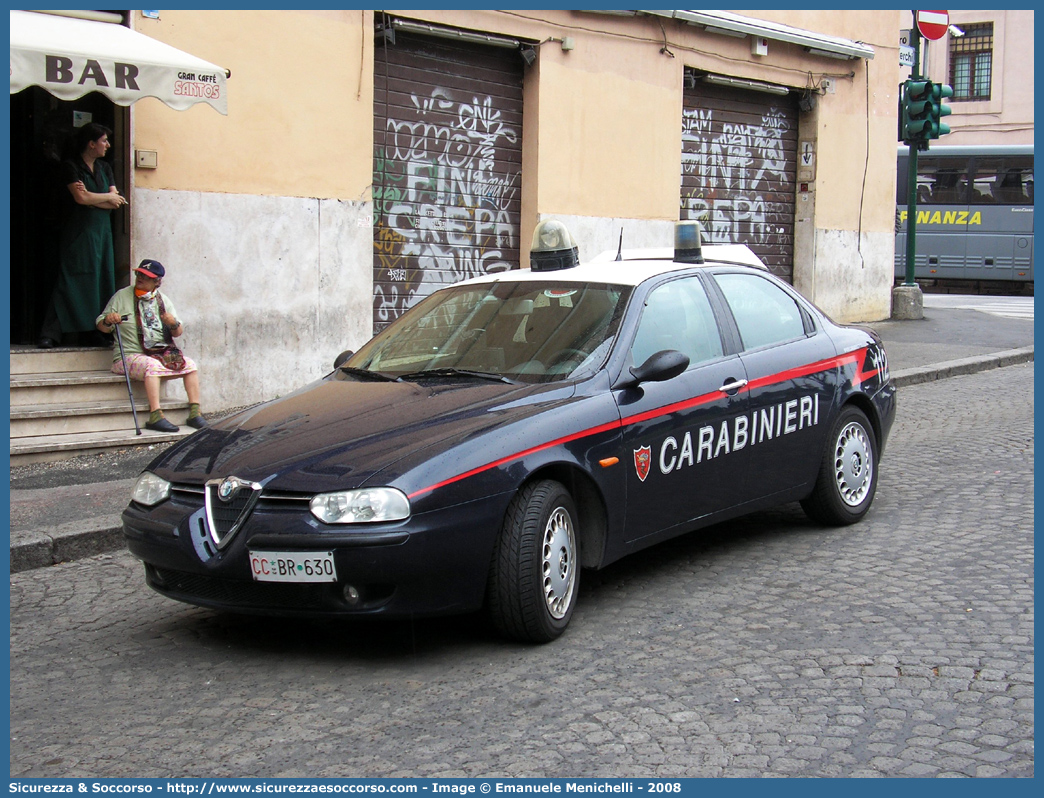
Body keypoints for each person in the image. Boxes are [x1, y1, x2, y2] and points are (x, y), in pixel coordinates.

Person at [38, 123, 128, 348]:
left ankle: (94, 331)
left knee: (99, 279)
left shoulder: (105, 168)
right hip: (79, 232)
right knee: (72, 280)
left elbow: (114, 200)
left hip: (101, 234)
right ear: (91, 143)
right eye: (104, 141)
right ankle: (52, 332)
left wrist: (91, 196)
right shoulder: (71, 166)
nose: (107, 145)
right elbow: (81, 199)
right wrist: (98, 198)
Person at [97, 260, 208, 433]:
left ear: (157, 281)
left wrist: (173, 323)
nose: (140, 278)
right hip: (129, 355)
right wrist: (108, 319)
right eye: (139, 274)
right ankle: (155, 414)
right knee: (152, 366)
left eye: (146, 276)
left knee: (190, 365)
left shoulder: (163, 300)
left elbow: (177, 331)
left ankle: (195, 412)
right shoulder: (122, 295)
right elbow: (101, 326)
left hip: (160, 352)